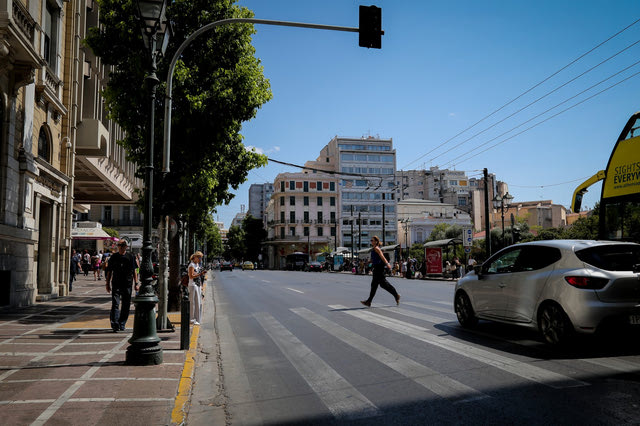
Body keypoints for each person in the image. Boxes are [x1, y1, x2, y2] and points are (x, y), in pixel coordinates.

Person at [105, 240, 139, 332]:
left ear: (126, 247)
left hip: (127, 284)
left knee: (126, 305)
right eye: (119, 245)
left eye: (122, 245)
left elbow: (134, 271)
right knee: (115, 303)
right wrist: (107, 283)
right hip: (116, 283)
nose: (120, 246)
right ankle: (115, 324)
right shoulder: (114, 257)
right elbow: (109, 271)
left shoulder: (130, 257)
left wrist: (136, 283)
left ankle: (122, 323)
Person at [361, 236, 400, 307]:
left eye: (372, 240)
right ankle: (369, 301)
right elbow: (375, 259)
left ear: (376, 241)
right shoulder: (374, 249)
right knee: (375, 285)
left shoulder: (376, 248)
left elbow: (382, 256)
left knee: (382, 284)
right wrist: (368, 262)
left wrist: (387, 264)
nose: (371, 242)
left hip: (379, 268)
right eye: (371, 240)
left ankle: (396, 295)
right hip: (376, 268)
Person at [188, 251, 207, 325]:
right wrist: (200, 274)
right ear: (195, 257)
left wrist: (201, 285)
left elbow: (199, 277)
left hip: (198, 285)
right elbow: (191, 276)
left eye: (201, 258)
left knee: (198, 302)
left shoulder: (197, 265)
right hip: (192, 285)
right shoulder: (191, 265)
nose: (200, 259)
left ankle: (197, 319)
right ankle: (192, 319)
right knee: (192, 302)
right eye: (199, 257)